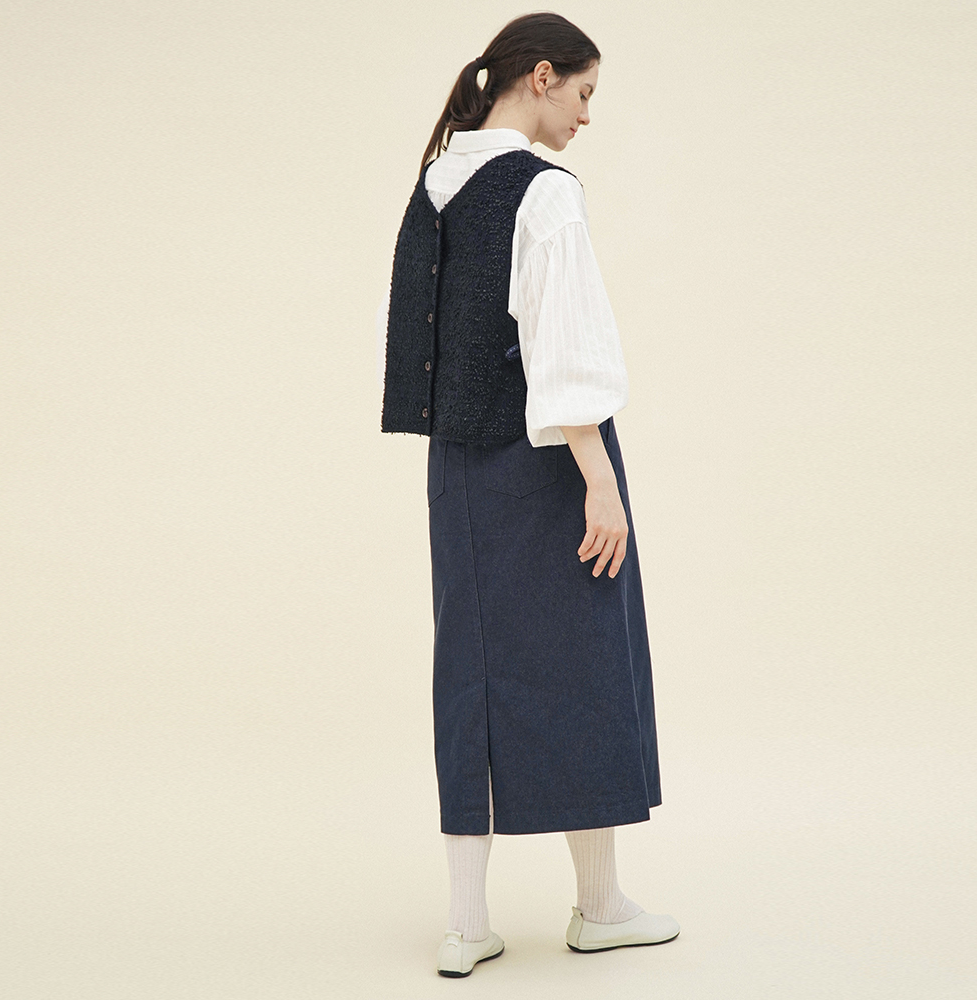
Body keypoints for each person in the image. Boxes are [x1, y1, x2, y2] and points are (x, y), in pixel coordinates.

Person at [376, 12, 679, 978]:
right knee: (590, 661)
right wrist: (600, 482)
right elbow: (563, 343)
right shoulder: (544, 193)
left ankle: (466, 925)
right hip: (552, 460)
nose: (588, 115)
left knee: (469, 671)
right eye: (583, 93)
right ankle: (600, 905)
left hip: (460, 465)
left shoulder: (437, 182)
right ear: (541, 77)